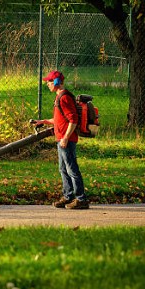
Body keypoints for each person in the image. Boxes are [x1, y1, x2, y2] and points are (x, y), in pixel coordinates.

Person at [35, 70, 89, 209]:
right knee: (63, 169)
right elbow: (60, 119)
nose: (47, 84)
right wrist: (44, 121)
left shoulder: (64, 98)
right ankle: (68, 196)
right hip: (61, 139)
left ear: (57, 82)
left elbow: (73, 120)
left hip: (66, 140)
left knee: (71, 169)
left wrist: (65, 138)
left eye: (49, 82)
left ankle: (81, 199)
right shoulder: (59, 97)